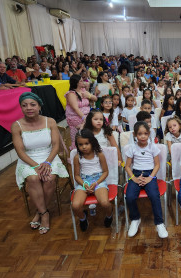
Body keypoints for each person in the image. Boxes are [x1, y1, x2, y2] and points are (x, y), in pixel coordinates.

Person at [12, 92, 69, 234]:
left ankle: (39, 211)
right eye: (24, 105)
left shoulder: (49, 121)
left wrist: (47, 162)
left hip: (49, 156)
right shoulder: (17, 125)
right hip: (28, 159)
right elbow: (20, 152)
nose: (28, 108)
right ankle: (44, 213)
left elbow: (56, 146)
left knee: (49, 179)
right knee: (33, 178)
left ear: (39, 106)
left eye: (32, 104)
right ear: (21, 108)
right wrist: (36, 166)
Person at [125, 121, 168, 238]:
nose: (143, 136)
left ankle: (159, 223)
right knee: (129, 196)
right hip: (136, 174)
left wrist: (150, 178)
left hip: (150, 174)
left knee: (154, 195)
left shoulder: (152, 147)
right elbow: (127, 166)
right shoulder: (132, 148)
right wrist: (133, 178)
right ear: (135, 135)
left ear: (149, 134)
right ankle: (135, 219)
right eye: (140, 134)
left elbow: (157, 165)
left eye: (145, 133)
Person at [71, 129, 113, 232]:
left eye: (86, 143)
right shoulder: (77, 157)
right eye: (80, 144)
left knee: (104, 203)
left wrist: (96, 183)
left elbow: (105, 172)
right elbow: (76, 175)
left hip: (98, 181)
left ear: (92, 142)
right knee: (75, 205)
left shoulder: (99, 155)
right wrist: (85, 185)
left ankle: (109, 215)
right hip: (84, 182)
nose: (84, 147)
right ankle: (83, 218)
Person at [65, 74, 97, 149]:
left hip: (86, 115)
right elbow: (75, 108)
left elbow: (95, 98)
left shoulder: (83, 91)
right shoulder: (71, 94)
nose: (83, 82)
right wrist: (85, 118)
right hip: (76, 117)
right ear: (77, 83)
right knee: (80, 136)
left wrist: (89, 96)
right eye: (81, 81)